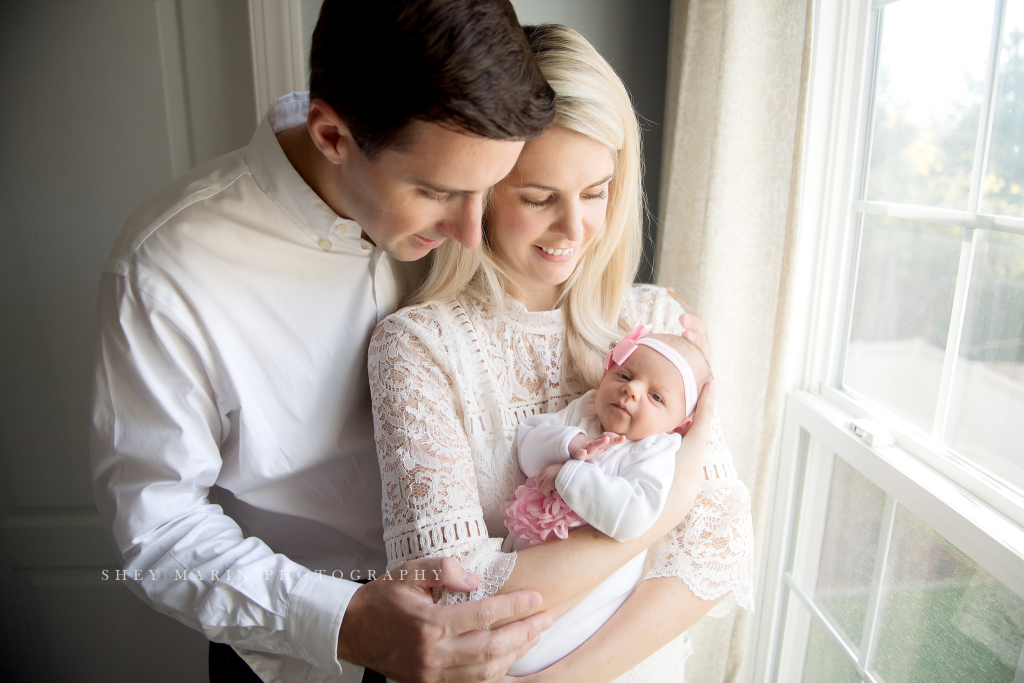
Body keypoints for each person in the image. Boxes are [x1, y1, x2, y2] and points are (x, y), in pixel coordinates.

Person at [89, 2, 561, 682]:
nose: (471, 234)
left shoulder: (470, 205)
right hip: (297, 650)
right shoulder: (166, 272)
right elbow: (157, 529)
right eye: (435, 192)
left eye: (487, 191)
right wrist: (343, 619)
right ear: (333, 135)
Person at [368, 24, 754, 682]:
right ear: (483, 190)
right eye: (540, 197)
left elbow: (719, 545)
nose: (574, 230)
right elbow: (455, 593)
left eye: (596, 192)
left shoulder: (656, 319)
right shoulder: (418, 346)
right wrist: (670, 502)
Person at [500, 329, 714, 676]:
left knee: (529, 649)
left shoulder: (655, 450)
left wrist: (568, 477)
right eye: (625, 375)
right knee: (498, 604)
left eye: (657, 397)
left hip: (594, 583)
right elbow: (527, 445)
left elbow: (633, 516)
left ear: (680, 424)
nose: (632, 390)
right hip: (531, 550)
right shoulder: (585, 409)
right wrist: (570, 442)